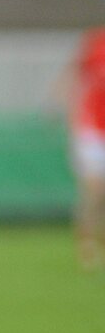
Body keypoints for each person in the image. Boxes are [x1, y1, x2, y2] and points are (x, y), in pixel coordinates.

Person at [62, 27, 105, 271]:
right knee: (94, 190)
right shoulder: (96, 44)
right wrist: (71, 120)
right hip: (91, 130)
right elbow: (73, 79)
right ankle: (87, 245)